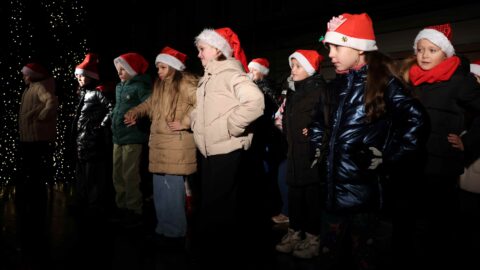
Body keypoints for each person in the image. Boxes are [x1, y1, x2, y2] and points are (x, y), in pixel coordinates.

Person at [311, 13, 428, 269]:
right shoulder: (335, 86)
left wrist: (386, 155)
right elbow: (319, 121)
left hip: (363, 196)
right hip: (331, 192)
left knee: (364, 257)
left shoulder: (384, 83)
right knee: (329, 256)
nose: (330, 53)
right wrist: (320, 146)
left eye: (336, 46)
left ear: (358, 48)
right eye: (328, 47)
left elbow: (416, 120)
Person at [402, 23, 480, 268]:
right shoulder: (414, 80)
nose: (424, 55)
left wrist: (467, 141)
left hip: (441, 164)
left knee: (441, 222)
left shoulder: (460, 81)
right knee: (416, 221)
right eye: (420, 49)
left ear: (445, 54)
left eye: (432, 50)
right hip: (414, 161)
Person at [191, 27, 264, 264]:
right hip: (209, 149)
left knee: (218, 206)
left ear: (217, 50)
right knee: (214, 203)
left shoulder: (231, 74)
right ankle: (217, 250)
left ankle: (217, 254)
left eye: (202, 49)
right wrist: (193, 121)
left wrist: (231, 127)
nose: (199, 55)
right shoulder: (208, 77)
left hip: (226, 148)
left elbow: (255, 102)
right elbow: (204, 109)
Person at [124, 46, 198, 244]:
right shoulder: (159, 85)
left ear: (173, 67)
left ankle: (176, 231)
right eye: (158, 68)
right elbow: (149, 104)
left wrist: (185, 122)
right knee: (159, 188)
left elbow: (201, 103)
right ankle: (164, 227)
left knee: (172, 189)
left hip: (176, 144)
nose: (159, 71)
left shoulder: (185, 82)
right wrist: (135, 112)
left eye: (162, 67)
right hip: (159, 144)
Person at [274, 49, 326, 259]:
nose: (292, 70)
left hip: (310, 155)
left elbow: (325, 121)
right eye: (291, 65)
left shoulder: (320, 90)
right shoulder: (294, 91)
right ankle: (295, 233)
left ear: (309, 69)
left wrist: (314, 131)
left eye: (297, 66)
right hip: (294, 152)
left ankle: (313, 239)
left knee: (311, 199)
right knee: (295, 197)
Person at [16, 62, 58, 260]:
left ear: (31, 75)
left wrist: (41, 115)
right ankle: (32, 191)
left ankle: (37, 193)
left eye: (25, 75)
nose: (23, 77)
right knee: (29, 167)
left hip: (36, 139)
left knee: (35, 168)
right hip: (28, 138)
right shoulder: (29, 89)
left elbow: (51, 102)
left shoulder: (39, 88)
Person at [111, 52, 152, 227]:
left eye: (123, 69)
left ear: (132, 70)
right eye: (118, 69)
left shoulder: (140, 86)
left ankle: (134, 209)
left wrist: (139, 116)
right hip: (118, 137)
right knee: (117, 173)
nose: (119, 72)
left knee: (130, 174)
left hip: (132, 137)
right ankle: (122, 206)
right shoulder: (119, 87)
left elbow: (149, 105)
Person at [71, 53, 114, 217]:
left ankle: (94, 204)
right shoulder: (82, 93)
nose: (79, 80)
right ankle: (82, 200)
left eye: (82, 77)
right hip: (81, 140)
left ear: (90, 76)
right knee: (81, 172)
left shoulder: (98, 93)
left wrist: (99, 126)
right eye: (77, 77)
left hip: (93, 141)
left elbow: (111, 109)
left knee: (93, 175)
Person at [247, 58, 286, 224]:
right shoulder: (255, 87)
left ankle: (271, 207)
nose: (250, 73)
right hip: (261, 137)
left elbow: (270, 114)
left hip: (267, 138)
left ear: (262, 71)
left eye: (254, 70)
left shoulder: (265, 88)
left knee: (269, 173)